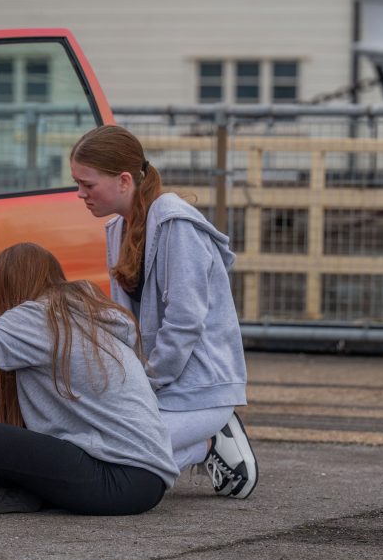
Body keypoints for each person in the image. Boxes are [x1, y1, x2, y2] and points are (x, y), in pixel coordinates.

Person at [0, 243, 178, 516]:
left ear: (9, 285)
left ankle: (24, 495)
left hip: (119, 478)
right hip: (144, 481)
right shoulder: (79, 317)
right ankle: (28, 495)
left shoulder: (42, 316)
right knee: (2, 419)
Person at [71, 125, 258, 499]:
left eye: (87, 184)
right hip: (159, 387)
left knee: (113, 456)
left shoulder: (176, 224)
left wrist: (146, 383)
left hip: (201, 391)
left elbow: (185, 321)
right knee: (99, 450)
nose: (80, 194)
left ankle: (210, 440)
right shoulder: (116, 229)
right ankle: (198, 445)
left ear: (124, 180)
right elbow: (125, 325)